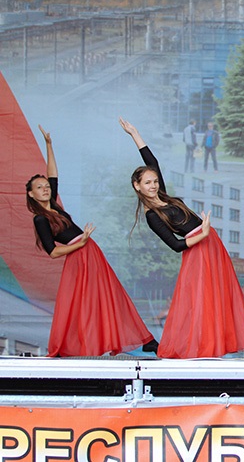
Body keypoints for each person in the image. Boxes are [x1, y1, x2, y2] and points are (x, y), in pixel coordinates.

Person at [119, 117, 244, 359]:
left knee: (226, 293)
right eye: (147, 183)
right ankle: (206, 348)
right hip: (197, 251)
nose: (153, 185)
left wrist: (135, 134)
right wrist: (202, 234)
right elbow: (176, 245)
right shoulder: (152, 215)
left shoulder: (163, 197)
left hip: (211, 243)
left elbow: (153, 163)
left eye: (154, 181)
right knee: (204, 300)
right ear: (137, 186)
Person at [26, 125, 157, 357]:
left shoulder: (54, 205)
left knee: (108, 295)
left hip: (89, 251)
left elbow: (53, 174)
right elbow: (53, 252)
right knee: (83, 302)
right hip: (79, 255)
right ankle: (74, 346)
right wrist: (80, 242)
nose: (45, 189)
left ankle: (143, 339)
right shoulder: (40, 218)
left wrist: (48, 145)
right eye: (39, 188)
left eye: (46, 187)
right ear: (31, 194)